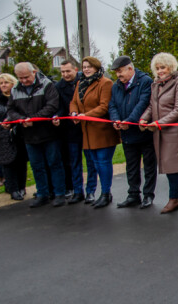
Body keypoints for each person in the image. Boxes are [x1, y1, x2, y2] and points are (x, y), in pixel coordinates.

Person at [5, 62, 66, 208]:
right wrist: (19, 119)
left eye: (26, 77)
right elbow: (10, 110)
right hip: (28, 135)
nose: (24, 81)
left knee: (54, 164)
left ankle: (59, 194)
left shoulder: (46, 85)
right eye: (20, 78)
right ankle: (42, 194)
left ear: (33, 72)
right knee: (36, 166)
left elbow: (52, 106)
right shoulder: (15, 89)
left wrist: (34, 119)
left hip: (48, 133)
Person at [140, 52, 178, 214]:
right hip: (158, 132)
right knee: (168, 166)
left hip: (173, 131)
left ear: (171, 67)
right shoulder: (156, 84)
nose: (160, 71)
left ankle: (173, 198)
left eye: (163, 67)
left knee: (172, 166)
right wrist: (144, 118)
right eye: (157, 68)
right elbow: (150, 106)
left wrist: (159, 123)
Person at [70, 56, 120, 209]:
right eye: (84, 66)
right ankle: (100, 192)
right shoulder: (80, 83)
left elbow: (104, 106)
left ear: (97, 67)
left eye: (89, 67)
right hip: (87, 131)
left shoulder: (105, 83)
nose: (86, 69)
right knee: (94, 163)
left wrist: (86, 115)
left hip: (102, 131)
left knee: (103, 163)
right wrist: (73, 113)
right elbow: (74, 102)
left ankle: (106, 193)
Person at [109, 56, 157, 209]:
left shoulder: (145, 81)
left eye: (120, 71)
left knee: (149, 165)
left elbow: (143, 103)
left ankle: (148, 195)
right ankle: (133, 194)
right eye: (116, 72)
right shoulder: (116, 86)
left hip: (143, 131)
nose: (118, 75)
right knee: (131, 166)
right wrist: (116, 120)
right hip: (126, 133)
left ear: (130, 69)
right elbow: (112, 106)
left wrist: (129, 121)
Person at [54, 59, 98, 205]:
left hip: (88, 127)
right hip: (70, 129)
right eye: (62, 72)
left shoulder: (86, 81)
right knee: (74, 162)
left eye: (68, 71)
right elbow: (61, 106)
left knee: (91, 162)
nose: (65, 74)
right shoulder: (58, 86)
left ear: (75, 69)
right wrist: (59, 116)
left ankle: (91, 191)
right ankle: (77, 191)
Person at [0, 73, 28, 200]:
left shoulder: (19, 97)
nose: (3, 85)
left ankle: (21, 187)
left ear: (12, 84)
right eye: (1, 83)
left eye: (6, 82)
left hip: (19, 134)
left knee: (21, 162)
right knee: (8, 163)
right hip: (2, 136)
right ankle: (12, 189)